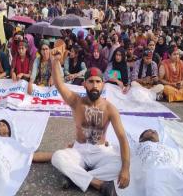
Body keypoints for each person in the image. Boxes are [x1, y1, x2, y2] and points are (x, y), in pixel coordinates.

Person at [50, 61, 130, 195]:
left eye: (98, 82)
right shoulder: (76, 101)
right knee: (57, 157)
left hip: (100, 152)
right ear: (84, 84)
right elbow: (58, 84)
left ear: (103, 84)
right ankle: (97, 183)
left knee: (120, 165)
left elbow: (122, 138)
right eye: (91, 81)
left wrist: (126, 169)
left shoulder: (110, 109)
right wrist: (55, 61)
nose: (95, 85)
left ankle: (74, 176)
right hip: (79, 151)